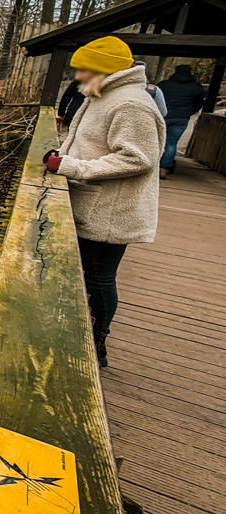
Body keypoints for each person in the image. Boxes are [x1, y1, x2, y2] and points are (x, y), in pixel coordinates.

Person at [44, 36, 165, 368]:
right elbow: (94, 142)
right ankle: (80, 333)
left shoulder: (130, 104)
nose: (78, 76)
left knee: (98, 276)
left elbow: (138, 159)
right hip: (93, 202)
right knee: (88, 274)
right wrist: (62, 155)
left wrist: (72, 166)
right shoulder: (103, 95)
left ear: (103, 70)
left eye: (84, 69)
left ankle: (96, 345)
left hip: (111, 211)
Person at [156, 63, 206, 176]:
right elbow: (199, 103)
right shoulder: (196, 87)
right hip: (181, 118)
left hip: (163, 116)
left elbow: (156, 98)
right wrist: (188, 113)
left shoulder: (165, 85)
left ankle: (153, 165)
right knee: (171, 143)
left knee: (157, 141)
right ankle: (164, 169)